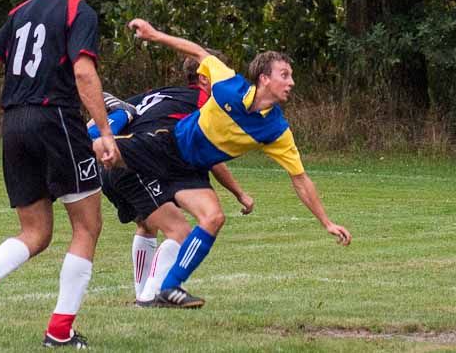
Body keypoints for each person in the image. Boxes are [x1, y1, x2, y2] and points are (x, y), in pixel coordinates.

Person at [98, 18, 352, 308]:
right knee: (106, 151)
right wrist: (155, 35)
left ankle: (169, 288)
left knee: (213, 218)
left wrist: (326, 222)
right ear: (264, 78)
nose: (291, 82)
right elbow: (197, 52)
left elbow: (300, 179)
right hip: (166, 146)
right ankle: (57, 157)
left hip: (190, 171)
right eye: (285, 75)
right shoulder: (229, 85)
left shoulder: (276, 130)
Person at [0, 0, 119, 349]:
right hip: (57, 121)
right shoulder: (79, 11)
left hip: (17, 124)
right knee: (87, 226)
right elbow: (83, 74)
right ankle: (59, 332)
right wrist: (105, 132)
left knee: (37, 231)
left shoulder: (20, 12)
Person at [87, 55, 255, 307]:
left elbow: (115, 113)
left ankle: (143, 294)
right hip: (135, 163)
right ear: (205, 79)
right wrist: (239, 193)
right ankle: (150, 297)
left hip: (113, 165)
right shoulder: (204, 104)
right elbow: (209, 155)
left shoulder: (162, 94)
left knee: (146, 224)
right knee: (181, 232)